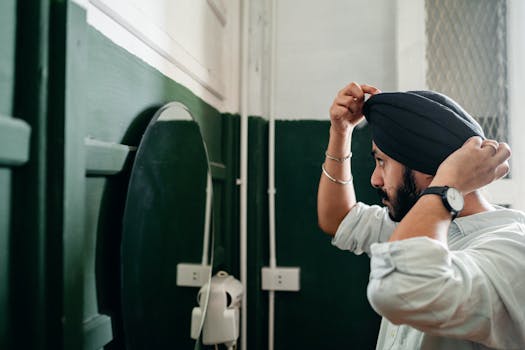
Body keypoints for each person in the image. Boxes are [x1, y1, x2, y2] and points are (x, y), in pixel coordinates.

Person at [317, 82, 525, 349]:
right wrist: (340, 131)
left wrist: (446, 187)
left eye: (383, 162)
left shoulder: (510, 250)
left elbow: (398, 287)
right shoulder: (422, 223)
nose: (375, 179)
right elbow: (339, 219)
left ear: (434, 169)